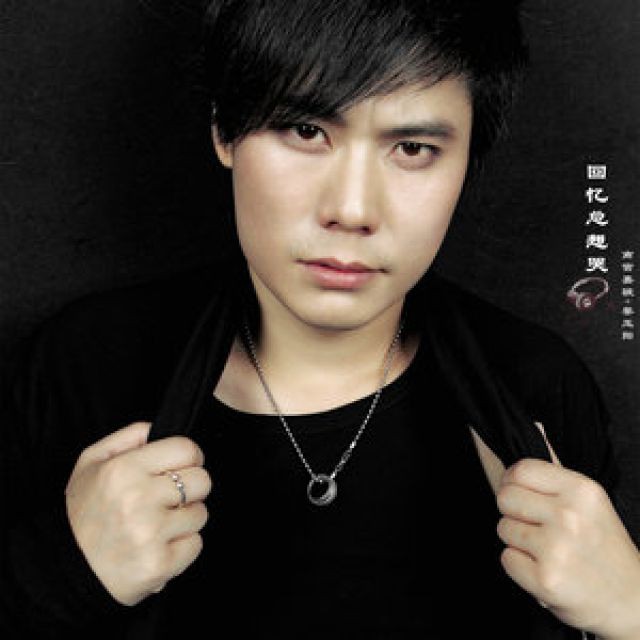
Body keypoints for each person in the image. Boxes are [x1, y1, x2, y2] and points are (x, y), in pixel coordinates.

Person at [1, 1, 639, 638]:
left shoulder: (534, 385)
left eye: (412, 148)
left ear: (468, 160)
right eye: (306, 131)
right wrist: (60, 574)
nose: (352, 209)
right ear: (224, 129)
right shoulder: (84, 368)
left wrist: (629, 609)